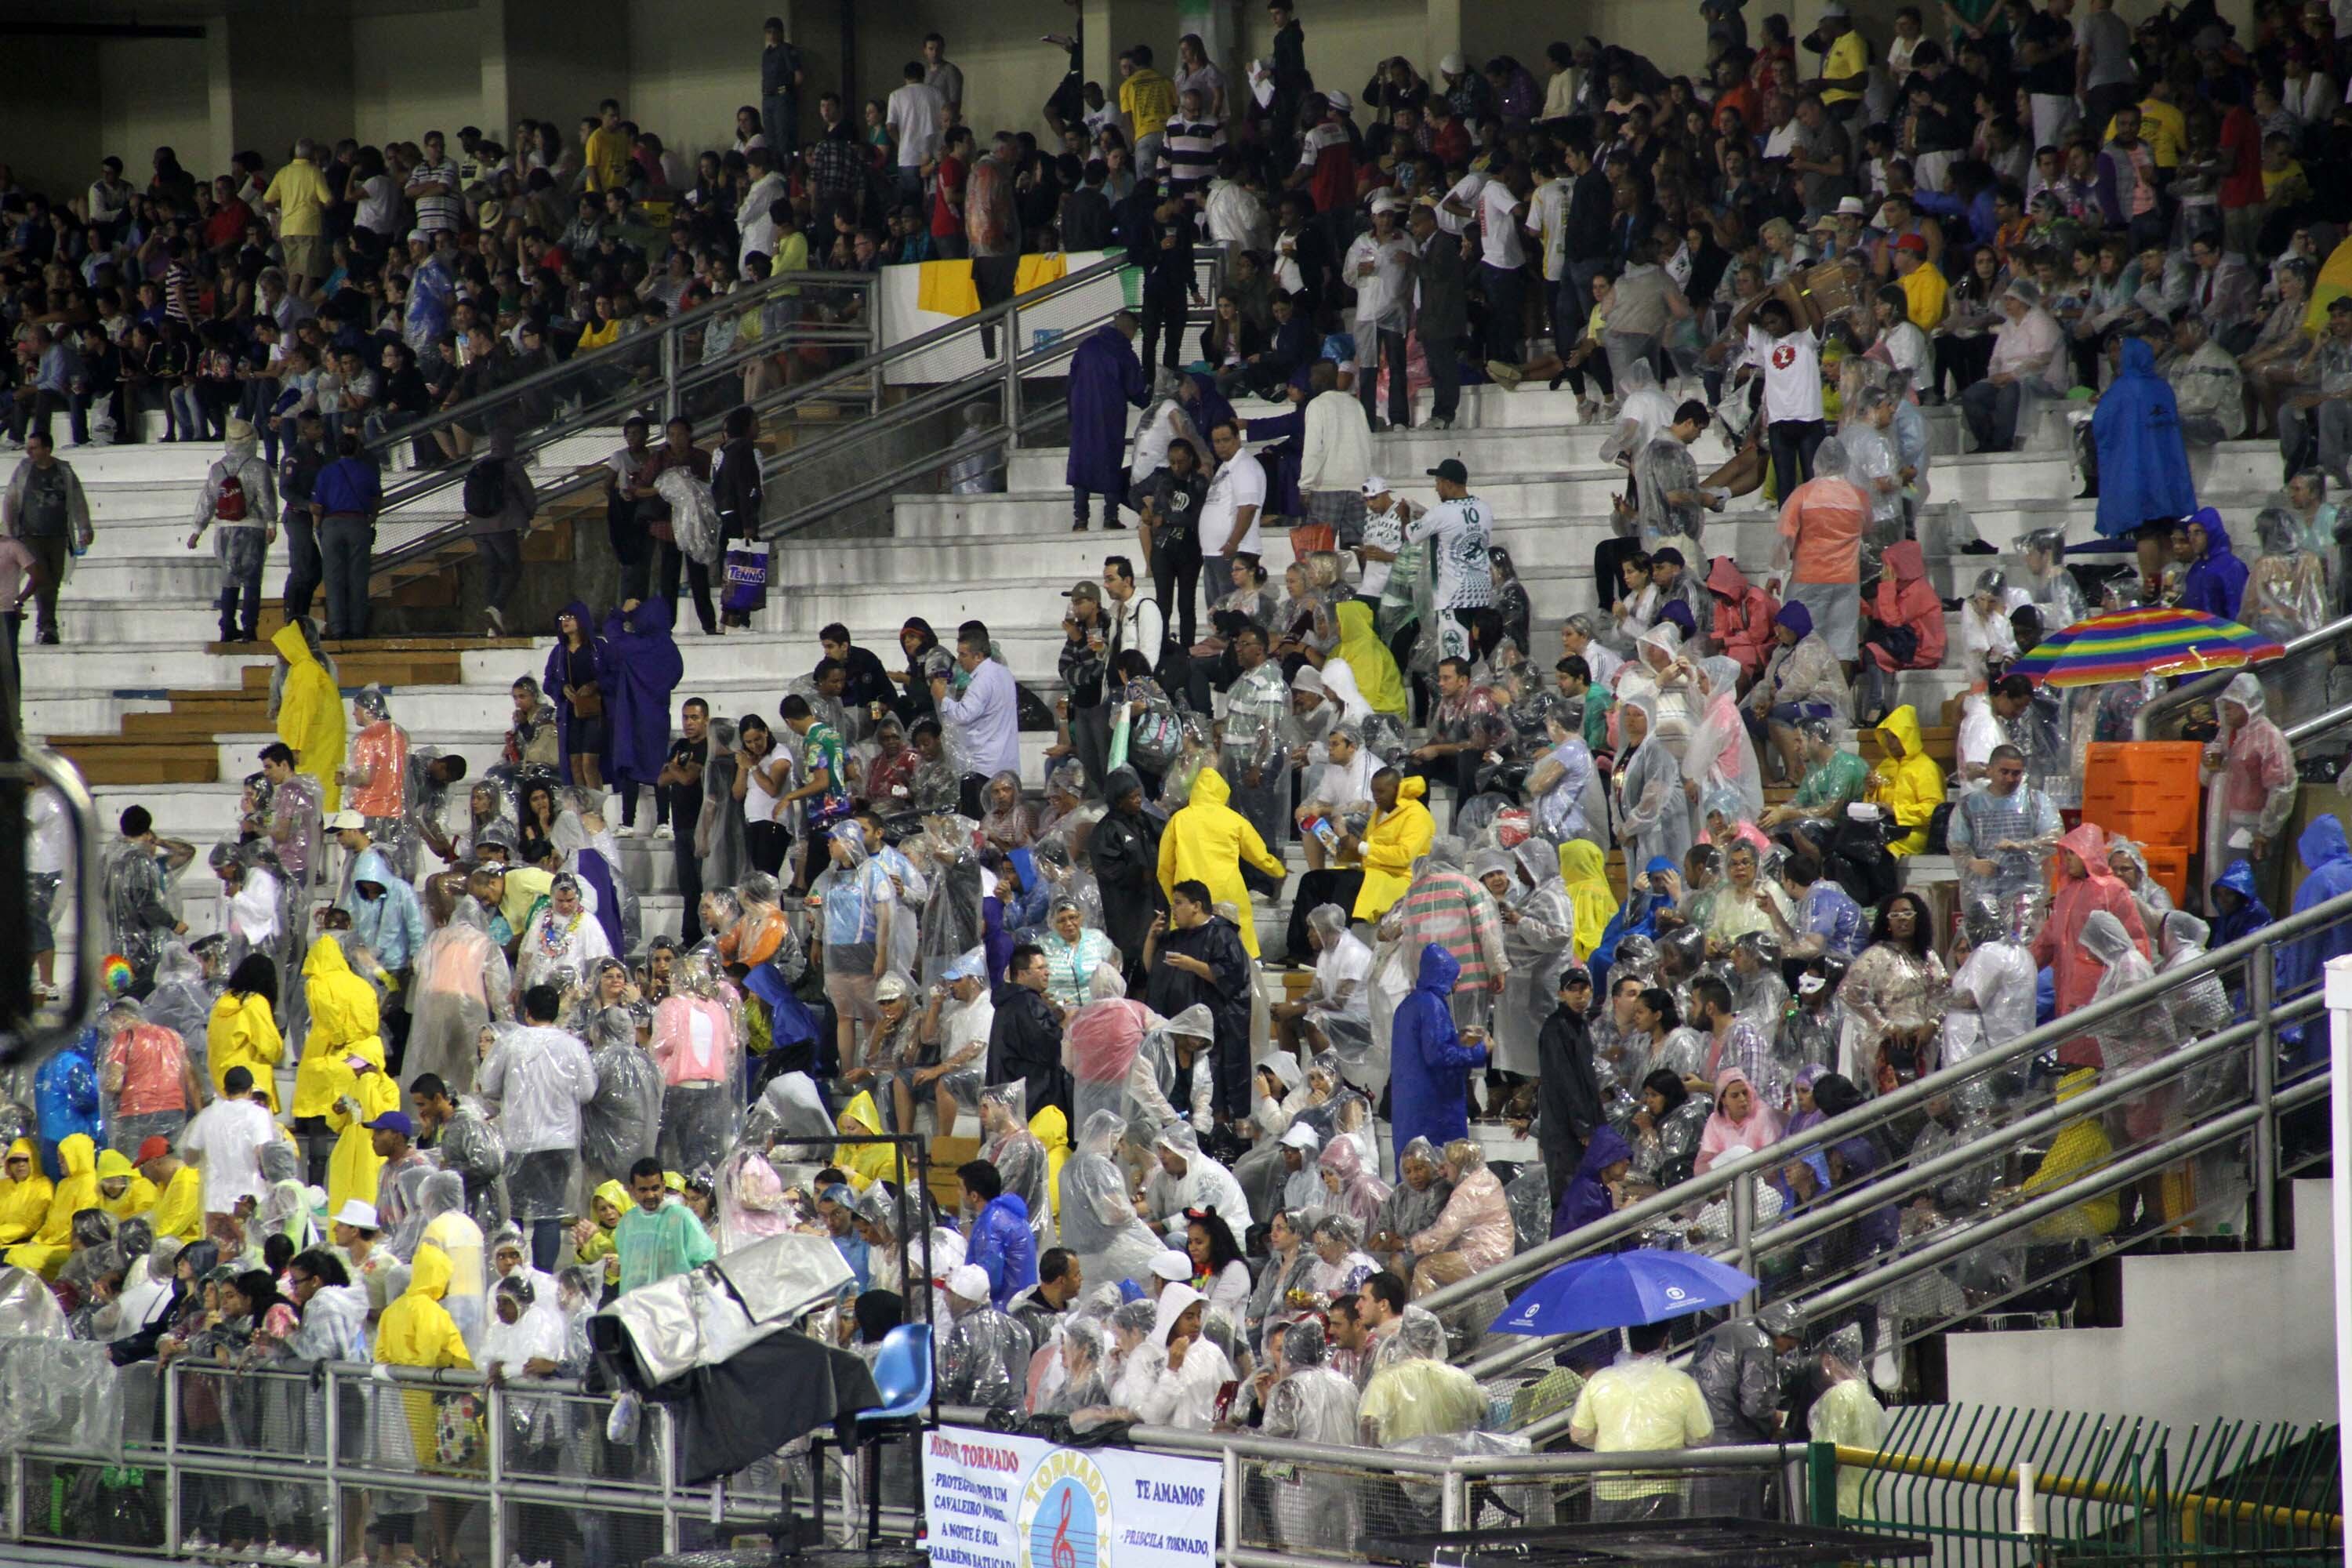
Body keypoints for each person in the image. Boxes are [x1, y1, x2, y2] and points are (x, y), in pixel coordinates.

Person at [477, 985, 593, 1273]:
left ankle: (512, 1274)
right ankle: (543, 1276)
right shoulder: (572, 1046)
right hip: (559, 1141)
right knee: (549, 1214)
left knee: (513, 1213)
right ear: (555, 1013)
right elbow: (588, 1091)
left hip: (519, 1140)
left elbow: (487, 1085)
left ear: (526, 1012)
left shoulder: (510, 1043)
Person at [1566, 1319, 1714, 1519]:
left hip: (1610, 1485)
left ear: (1628, 1336)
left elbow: (1578, 1433)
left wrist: (1611, 1441)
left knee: (1611, 1547)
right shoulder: (1682, 1383)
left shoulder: (1600, 1381)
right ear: (1665, 1340)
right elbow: (1702, 1435)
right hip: (1664, 1484)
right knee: (1660, 1547)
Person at [1387, 943, 1488, 1175]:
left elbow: (1425, 1048)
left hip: (1409, 1108)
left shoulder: (1407, 1005)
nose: (1457, 983)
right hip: (1433, 1109)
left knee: (1411, 1177)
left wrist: (1457, 1038)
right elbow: (1437, 1055)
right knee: (1435, 1175)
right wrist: (1480, 1050)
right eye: (1455, 977)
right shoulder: (1432, 1005)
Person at [1770, 436, 1867, 664]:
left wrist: (1775, 572)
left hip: (1808, 580)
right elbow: (1870, 528)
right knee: (1843, 645)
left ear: (1817, 462)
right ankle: (1841, 699)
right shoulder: (1859, 496)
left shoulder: (1803, 493)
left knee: (1802, 642)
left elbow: (1784, 535)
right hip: (1847, 580)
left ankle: (1803, 694)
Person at [1, 428, 93, 644]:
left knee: (53, 581)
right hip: (31, 535)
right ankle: (46, 626)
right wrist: (10, 532)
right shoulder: (24, 471)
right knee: (41, 579)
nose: (29, 452)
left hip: (58, 535)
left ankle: (48, 625)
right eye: (29, 447)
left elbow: (78, 500)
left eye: (34, 448)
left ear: (47, 449)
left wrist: (85, 528)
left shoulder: (64, 471)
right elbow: (11, 500)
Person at [1068, 313, 1150, 531]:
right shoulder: (1124, 352)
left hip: (1083, 416)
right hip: (1110, 417)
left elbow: (1071, 382)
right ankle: (1110, 517)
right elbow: (1136, 390)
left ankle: (1080, 520)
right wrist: (1149, 400)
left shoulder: (1086, 346)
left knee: (1081, 465)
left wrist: (1073, 414)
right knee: (1110, 464)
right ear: (1131, 331)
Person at [613, 1156, 715, 1295]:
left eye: (655, 1188)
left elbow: (705, 1260)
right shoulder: (627, 1222)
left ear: (663, 1185)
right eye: (643, 1190)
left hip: (676, 1306)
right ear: (632, 1190)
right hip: (636, 1307)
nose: (650, 1195)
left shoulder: (681, 1217)